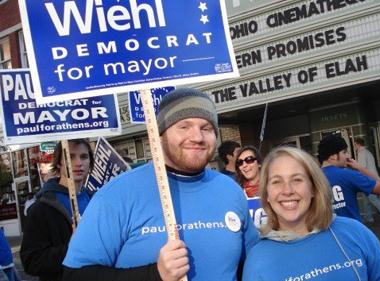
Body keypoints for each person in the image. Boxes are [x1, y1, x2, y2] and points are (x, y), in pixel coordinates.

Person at [62, 88, 259, 280]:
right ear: (160, 135)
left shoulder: (229, 189)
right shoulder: (117, 194)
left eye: (206, 128)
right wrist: (154, 274)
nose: (197, 137)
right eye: (184, 126)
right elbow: (75, 275)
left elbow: (251, 264)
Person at [242, 146, 380, 281]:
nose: (287, 190)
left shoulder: (355, 233)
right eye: (276, 181)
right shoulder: (258, 259)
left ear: (313, 188)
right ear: (266, 195)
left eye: (297, 179)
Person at [20, 139, 93, 281]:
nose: (78, 163)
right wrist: (71, 248)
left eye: (84, 156)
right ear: (59, 163)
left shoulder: (97, 200)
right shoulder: (42, 207)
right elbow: (32, 262)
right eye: (70, 157)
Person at [318, 135, 380, 222]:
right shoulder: (348, 174)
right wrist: (359, 167)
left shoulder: (311, 179)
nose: (348, 155)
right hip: (352, 233)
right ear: (333, 156)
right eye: (344, 152)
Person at [353, 138, 380, 226]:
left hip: (368, 180)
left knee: (372, 199)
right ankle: (368, 218)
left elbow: (362, 168)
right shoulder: (368, 152)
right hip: (374, 178)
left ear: (358, 144)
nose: (354, 146)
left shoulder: (361, 153)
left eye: (354, 144)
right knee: (367, 200)